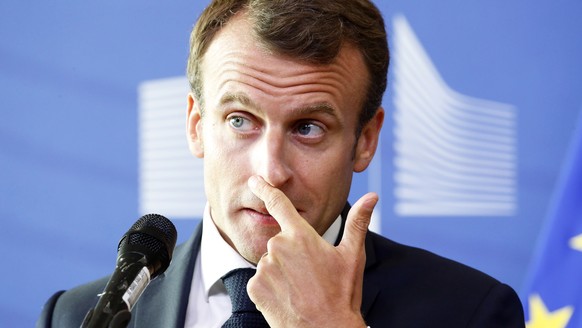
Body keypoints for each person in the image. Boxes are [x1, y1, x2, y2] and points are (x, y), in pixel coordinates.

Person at [37, 0, 526, 327]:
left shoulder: (471, 313)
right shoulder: (76, 315)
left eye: (308, 127)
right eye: (240, 120)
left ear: (365, 140)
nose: (270, 172)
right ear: (195, 124)